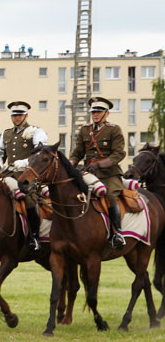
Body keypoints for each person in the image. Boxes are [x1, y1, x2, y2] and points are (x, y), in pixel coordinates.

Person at [70, 96, 126, 248]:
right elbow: (77, 153)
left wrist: (101, 165)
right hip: (88, 173)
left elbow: (119, 154)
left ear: (106, 113)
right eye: (93, 111)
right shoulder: (84, 130)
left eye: (99, 112)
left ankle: (117, 233)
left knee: (110, 196)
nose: (95, 114)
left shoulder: (114, 129)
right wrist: (69, 165)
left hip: (110, 174)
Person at [0, 101, 48, 252]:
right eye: (14, 115)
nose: (17, 118)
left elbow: (41, 153)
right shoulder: (7, 133)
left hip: (29, 175)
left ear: (26, 115)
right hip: (8, 174)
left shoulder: (36, 131)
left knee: (29, 198)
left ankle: (35, 238)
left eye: (20, 115)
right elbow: (0, 153)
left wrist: (24, 162)